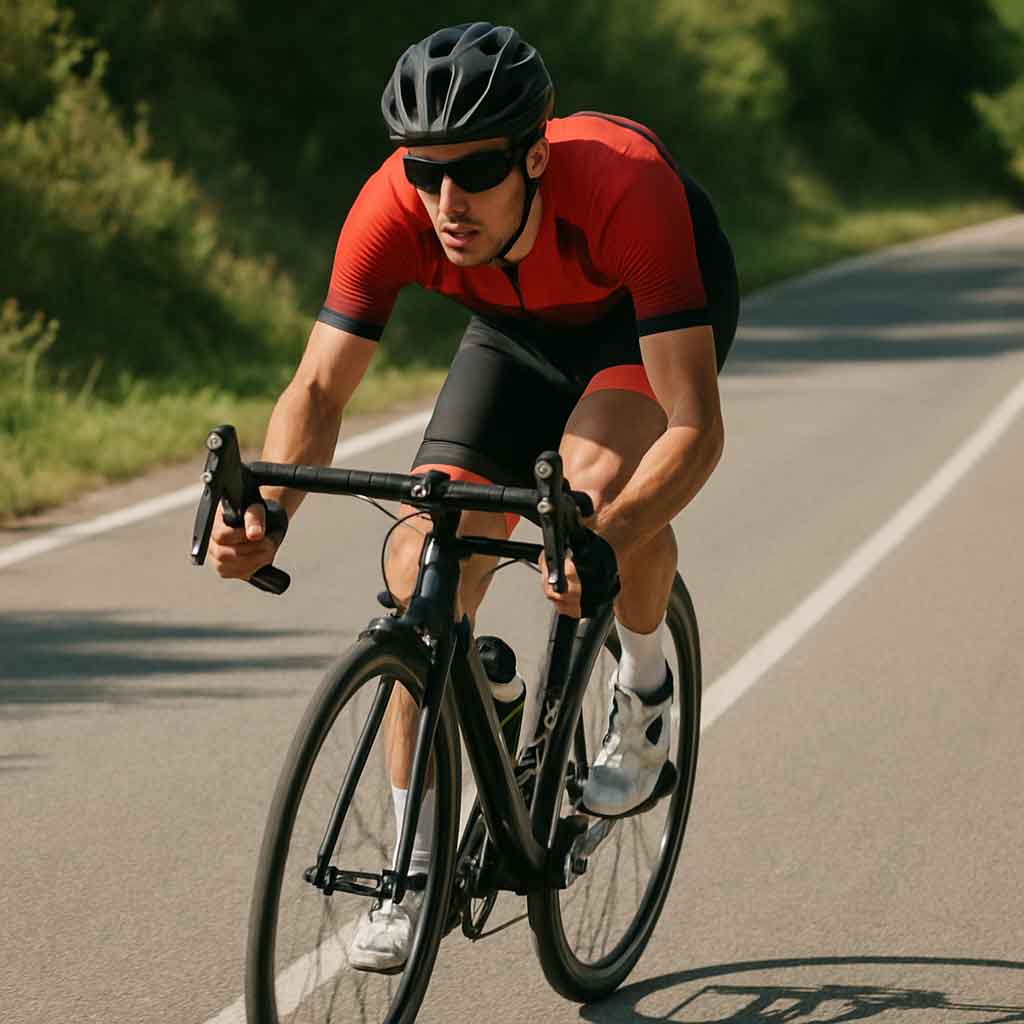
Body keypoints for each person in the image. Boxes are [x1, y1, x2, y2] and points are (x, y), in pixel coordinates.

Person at [207, 22, 738, 971]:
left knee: (595, 492)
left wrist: (604, 541)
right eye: (424, 172)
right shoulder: (394, 205)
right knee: (421, 562)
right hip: (512, 330)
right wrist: (268, 515)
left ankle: (646, 690)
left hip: (637, 325)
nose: (445, 202)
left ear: (534, 154)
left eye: (476, 171)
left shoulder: (625, 186)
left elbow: (697, 427)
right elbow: (319, 389)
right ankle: (410, 870)